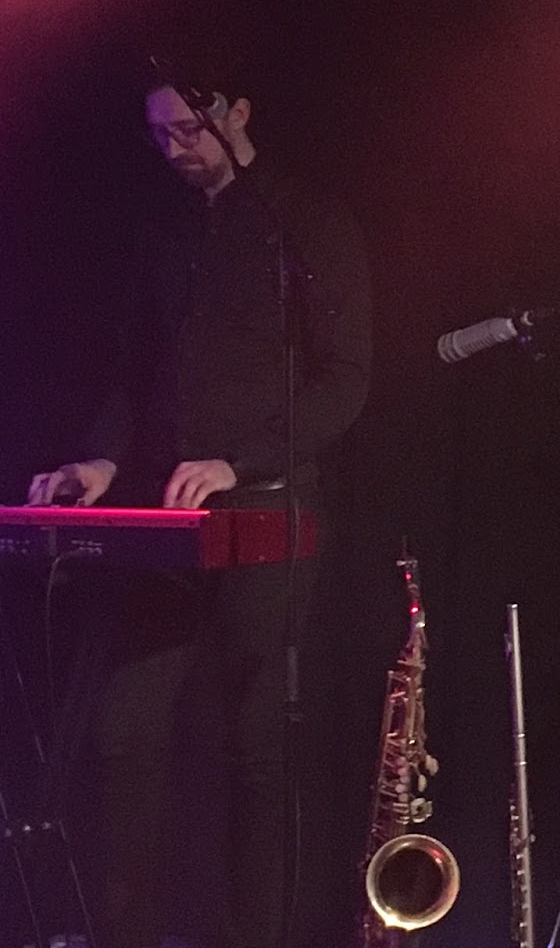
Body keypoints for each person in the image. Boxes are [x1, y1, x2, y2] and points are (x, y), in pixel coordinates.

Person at [26, 53, 372, 948]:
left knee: (258, 752)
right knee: (125, 734)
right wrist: (102, 461)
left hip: (271, 511)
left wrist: (235, 461)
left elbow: (345, 382)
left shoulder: (307, 227)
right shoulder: (168, 232)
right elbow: (135, 370)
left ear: (236, 112)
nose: (176, 149)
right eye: (160, 136)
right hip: (174, 521)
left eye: (188, 129)